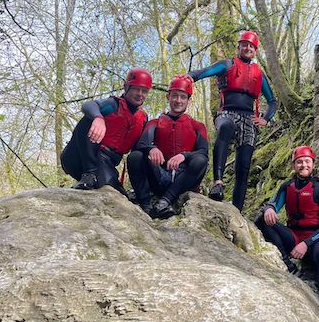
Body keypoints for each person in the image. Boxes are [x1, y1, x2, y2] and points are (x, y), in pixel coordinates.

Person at [187, 30, 277, 211]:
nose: (248, 48)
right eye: (244, 45)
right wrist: (189, 77)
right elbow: (203, 72)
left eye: (251, 46)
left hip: (249, 118)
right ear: (239, 47)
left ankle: (237, 208)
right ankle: (218, 182)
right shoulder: (227, 65)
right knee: (225, 128)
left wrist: (266, 118)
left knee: (243, 165)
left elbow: (272, 101)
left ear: (255, 50)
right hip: (227, 112)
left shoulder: (259, 74)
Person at [254, 146, 319, 318]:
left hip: (318, 239)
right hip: (294, 235)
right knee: (262, 220)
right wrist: (270, 208)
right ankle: (288, 264)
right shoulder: (287, 187)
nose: (303, 165)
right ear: (294, 165)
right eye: (299, 162)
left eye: (307, 161)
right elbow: (274, 204)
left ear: (313, 164)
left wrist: (306, 244)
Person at [127, 75, 209, 219]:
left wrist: (184, 155)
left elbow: (203, 151)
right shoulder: (155, 122)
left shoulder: (198, 126)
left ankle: (164, 202)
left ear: (189, 100)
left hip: (183, 179)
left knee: (200, 160)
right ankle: (146, 205)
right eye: (175, 96)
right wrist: (152, 148)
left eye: (183, 97)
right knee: (135, 156)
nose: (178, 100)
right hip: (160, 175)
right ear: (168, 97)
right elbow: (141, 144)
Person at [61, 67, 151, 192]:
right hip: (78, 157)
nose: (140, 94)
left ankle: (97, 179)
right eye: (136, 89)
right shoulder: (113, 106)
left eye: (144, 91)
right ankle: (89, 174)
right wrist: (98, 118)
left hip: (106, 162)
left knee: (115, 192)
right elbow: (89, 106)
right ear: (126, 87)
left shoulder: (143, 118)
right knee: (89, 119)